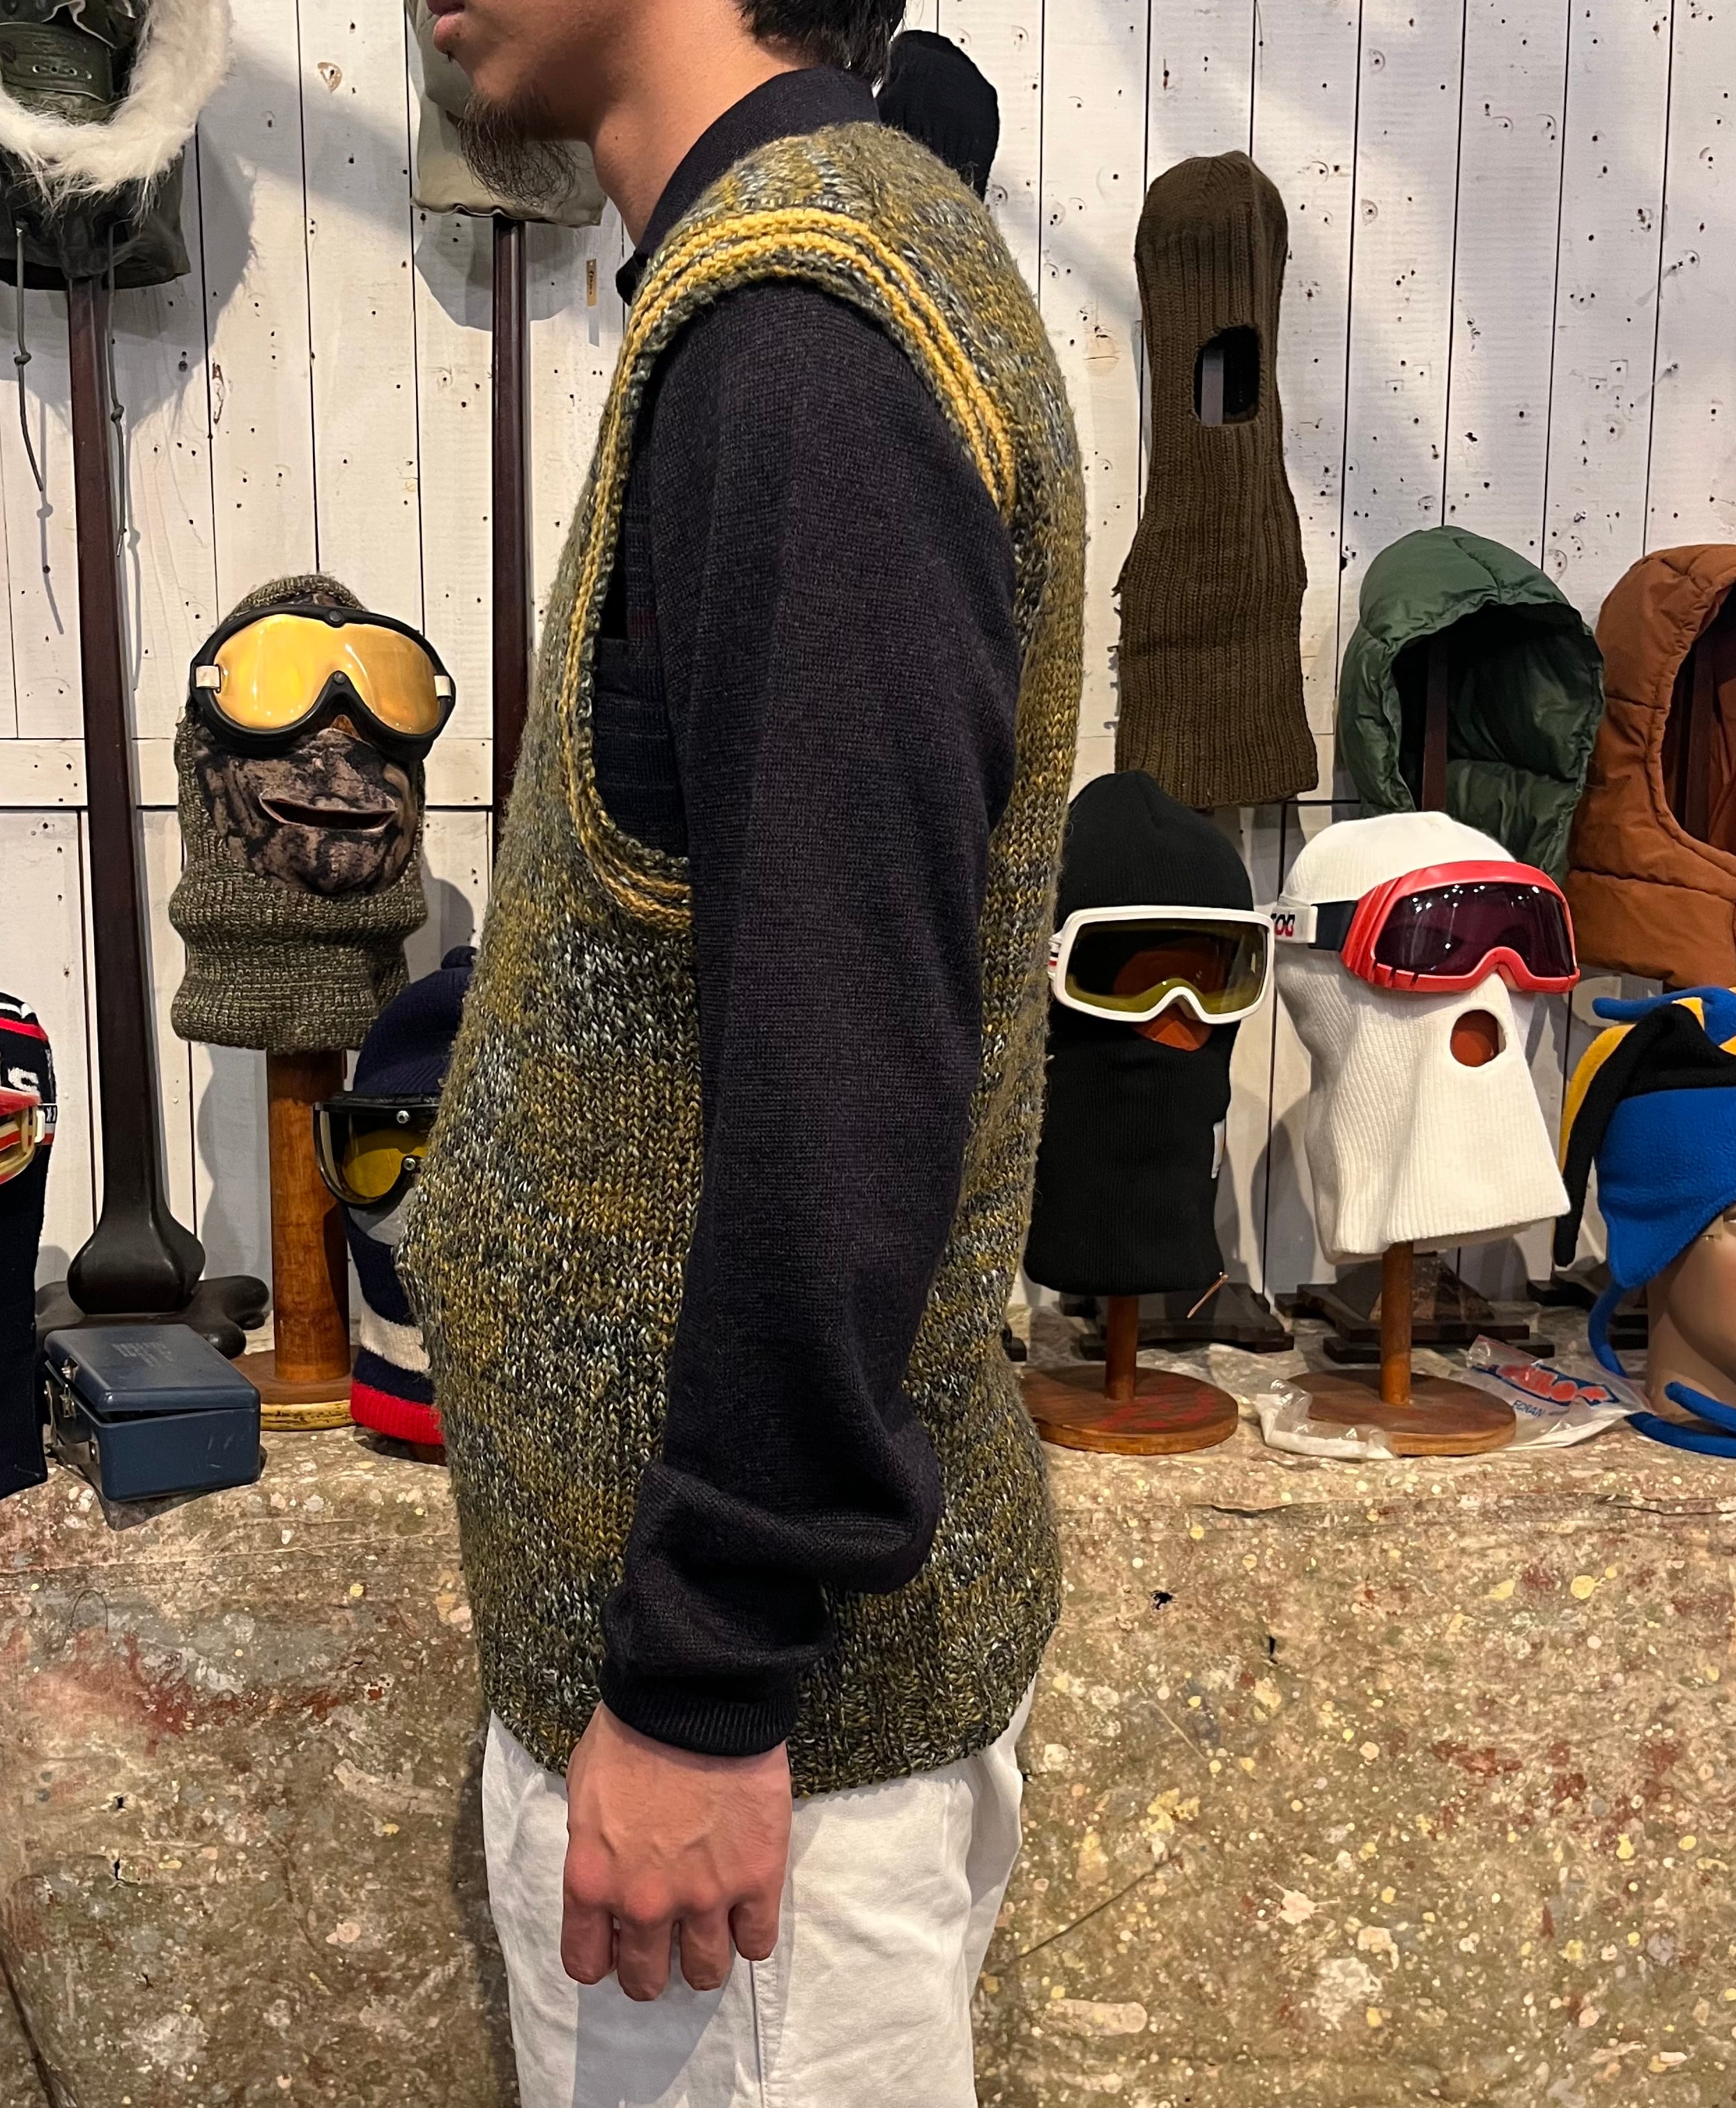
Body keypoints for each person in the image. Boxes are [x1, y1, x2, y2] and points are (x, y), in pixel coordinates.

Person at [400, 0, 1086, 2098]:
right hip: (740, 1716)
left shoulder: (805, 325)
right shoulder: (793, 282)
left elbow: (851, 1059)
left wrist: (705, 1678)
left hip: (757, 1775)